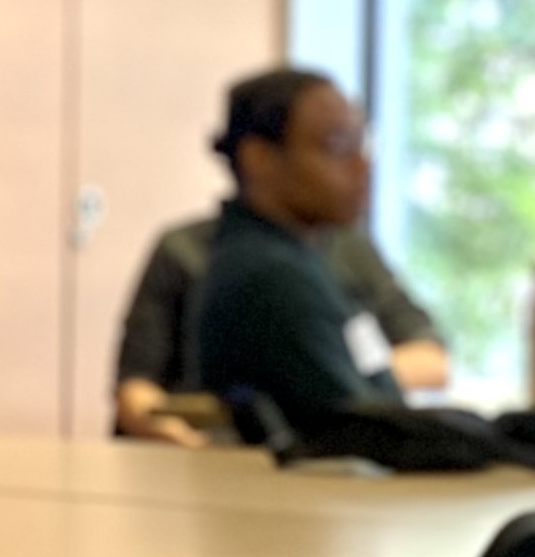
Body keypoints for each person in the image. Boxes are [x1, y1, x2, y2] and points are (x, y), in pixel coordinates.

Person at [115, 188, 447, 449]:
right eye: (331, 148)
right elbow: (136, 385)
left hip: (338, 454)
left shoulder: (350, 248)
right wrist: (167, 429)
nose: (358, 166)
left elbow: (430, 359)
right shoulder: (186, 250)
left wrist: (326, 369)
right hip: (209, 453)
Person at [193, 68, 422, 432]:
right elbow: (361, 431)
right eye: (336, 146)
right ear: (260, 159)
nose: (361, 166)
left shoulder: (302, 256)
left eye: (360, 144)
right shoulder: (270, 275)